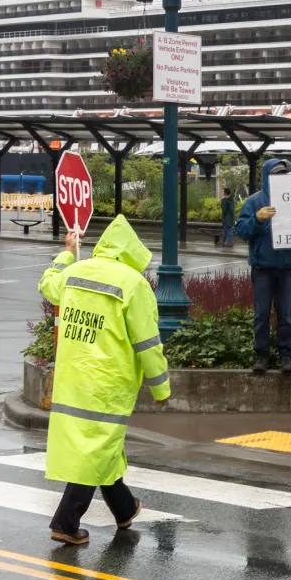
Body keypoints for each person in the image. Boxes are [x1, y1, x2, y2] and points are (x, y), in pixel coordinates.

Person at [37, 215, 171, 545]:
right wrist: (160, 387)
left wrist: (67, 253)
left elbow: (48, 285)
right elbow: (147, 343)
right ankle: (65, 523)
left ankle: (125, 509)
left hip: (73, 377)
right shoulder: (134, 284)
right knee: (97, 448)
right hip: (108, 383)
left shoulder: (74, 272)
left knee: (101, 446)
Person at [236, 159, 291, 375]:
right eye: (277, 174)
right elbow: (241, 231)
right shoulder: (254, 201)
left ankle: (286, 356)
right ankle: (262, 355)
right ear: (267, 176)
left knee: (286, 315)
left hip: (286, 266)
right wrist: (256, 218)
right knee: (261, 314)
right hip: (262, 267)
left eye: (284, 174)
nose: (281, 177)